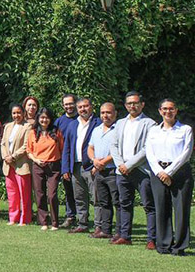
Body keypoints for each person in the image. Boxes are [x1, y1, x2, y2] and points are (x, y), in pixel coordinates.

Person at [145, 98, 193, 256]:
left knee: (181, 210)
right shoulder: (153, 131)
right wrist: (160, 172)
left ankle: (179, 246)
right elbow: (149, 152)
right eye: (164, 109)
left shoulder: (185, 129)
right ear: (160, 111)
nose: (168, 111)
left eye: (171, 108)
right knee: (161, 208)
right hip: (158, 172)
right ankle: (164, 245)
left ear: (176, 110)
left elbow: (186, 153)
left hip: (180, 172)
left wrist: (169, 172)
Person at [110, 91, 155, 247]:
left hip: (141, 170)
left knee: (148, 205)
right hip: (122, 171)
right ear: (125, 105)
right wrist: (120, 165)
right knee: (124, 204)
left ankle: (152, 239)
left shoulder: (150, 124)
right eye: (129, 103)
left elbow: (147, 148)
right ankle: (125, 236)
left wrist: (129, 165)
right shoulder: (120, 123)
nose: (132, 106)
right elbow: (113, 145)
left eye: (135, 103)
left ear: (142, 104)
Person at [62, 97, 99, 234]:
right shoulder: (73, 125)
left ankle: (99, 226)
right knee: (79, 197)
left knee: (96, 197)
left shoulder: (98, 123)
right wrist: (65, 168)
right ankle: (82, 224)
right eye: (80, 107)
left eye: (86, 106)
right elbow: (67, 147)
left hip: (91, 166)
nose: (83, 109)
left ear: (91, 107)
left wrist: (97, 164)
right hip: (75, 167)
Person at [27, 107, 64, 230]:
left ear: (50, 119)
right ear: (38, 118)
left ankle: (55, 222)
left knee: (52, 195)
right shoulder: (32, 133)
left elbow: (62, 149)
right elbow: (29, 151)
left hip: (54, 166)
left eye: (47, 118)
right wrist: (36, 160)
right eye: (42, 117)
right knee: (39, 194)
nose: (44, 120)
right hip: (38, 165)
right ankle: (43, 222)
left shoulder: (56, 132)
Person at [88, 102, 119, 239]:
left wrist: (103, 162)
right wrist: (94, 160)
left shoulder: (118, 129)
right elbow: (90, 148)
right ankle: (105, 230)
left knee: (117, 202)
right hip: (99, 171)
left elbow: (119, 150)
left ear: (115, 114)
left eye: (108, 112)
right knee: (104, 202)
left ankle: (120, 231)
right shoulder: (96, 130)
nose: (105, 115)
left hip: (113, 171)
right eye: (102, 113)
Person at [0, 103, 31, 226]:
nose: (16, 115)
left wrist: (13, 156)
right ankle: (13, 218)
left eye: (18, 112)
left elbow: (26, 145)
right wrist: (6, 157)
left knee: (24, 193)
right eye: (14, 113)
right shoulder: (8, 126)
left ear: (23, 113)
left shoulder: (28, 126)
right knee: (12, 193)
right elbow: (3, 143)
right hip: (8, 165)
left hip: (21, 164)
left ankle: (25, 219)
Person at [54, 94, 80, 227]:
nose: (68, 106)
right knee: (68, 189)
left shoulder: (81, 119)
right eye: (66, 104)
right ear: (62, 106)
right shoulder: (59, 121)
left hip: (79, 160)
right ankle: (70, 216)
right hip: (63, 160)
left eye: (71, 103)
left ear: (76, 103)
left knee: (81, 191)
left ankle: (83, 218)